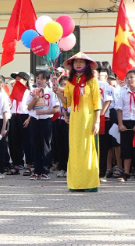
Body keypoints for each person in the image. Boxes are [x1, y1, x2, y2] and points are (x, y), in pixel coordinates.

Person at [63, 53, 102, 192]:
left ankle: (89, 183)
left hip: (88, 119)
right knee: (75, 149)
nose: (78, 64)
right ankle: (75, 183)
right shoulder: (70, 82)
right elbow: (67, 102)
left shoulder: (92, 80)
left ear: (86, 65)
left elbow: (97, 102)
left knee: (87, 149)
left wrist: (97, 121)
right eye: (76, 62)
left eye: (81, 61)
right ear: (72, 65)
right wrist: (58, 93)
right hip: (75, 121)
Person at [25, 70, 60, 181]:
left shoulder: (50, 92)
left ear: (46, 80)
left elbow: (57, 109)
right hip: (35, 120)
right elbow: (29, 108)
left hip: (46, 120)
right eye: (37, 78)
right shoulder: (32, 91)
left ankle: (45, 170)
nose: (39, 80)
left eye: (41, 78)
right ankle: (36, 170)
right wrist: (35, 99)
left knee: (46, 145)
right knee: (35, 144)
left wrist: (44, 112)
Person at [117, 70, 135, 181]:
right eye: (127, 78)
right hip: (126, 121)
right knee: (126, 147)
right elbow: (119, 109)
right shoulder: (123, 92)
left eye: (131, 77)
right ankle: (126, 172)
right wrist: (120, 124)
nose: (129, 80)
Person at [7, 72, 30, 175]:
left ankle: (28, 166)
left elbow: (32, 107)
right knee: (14, 142)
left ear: (25, 80)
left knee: (27, 142)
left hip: (25, 116)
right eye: (16, 78)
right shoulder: (13, 92)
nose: (16, 80)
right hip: (14, 116)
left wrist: (29, 118)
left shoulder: (29, 92)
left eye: (19, 78)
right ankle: (16, 164)